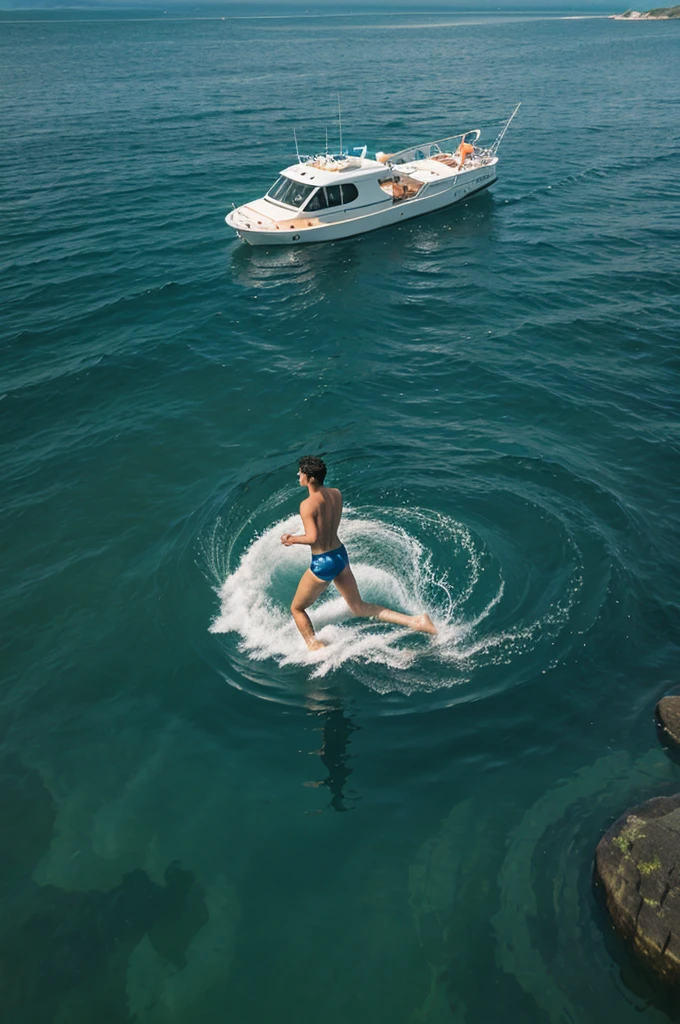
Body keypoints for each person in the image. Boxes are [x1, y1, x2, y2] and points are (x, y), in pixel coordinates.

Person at [281, 455, 437, 651]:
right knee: (358, 606)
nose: (298, 474)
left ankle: (314, 647)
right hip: (340, 555)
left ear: (310, 478)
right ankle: (417, 621)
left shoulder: (307, 504)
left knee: (297, 608)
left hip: (323, 562)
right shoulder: (336, 494)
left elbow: (313, 537)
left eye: (301, 472)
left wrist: (291, 539)